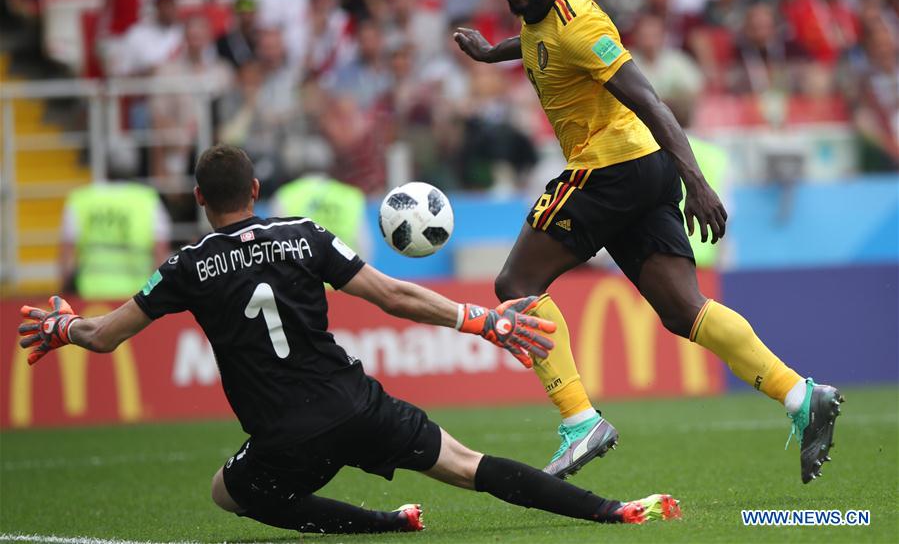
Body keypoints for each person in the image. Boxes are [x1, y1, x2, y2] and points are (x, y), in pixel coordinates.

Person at [19, 144, 681, 535]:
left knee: (230, 491)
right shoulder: (303, 235)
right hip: (356, 404)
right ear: (254, 190)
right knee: (468, 467)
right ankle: (613, 511)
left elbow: (104, 337)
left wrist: (61, 328)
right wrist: (485, 322)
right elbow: (393, 295)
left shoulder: (186, 266)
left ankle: (388, 526)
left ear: (198, 198)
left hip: (283, 437)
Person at [453, 0, 843, 484]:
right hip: (639, 171)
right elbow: (540, 45)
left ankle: (579, 421)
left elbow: (651, 100)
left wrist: (698, 180)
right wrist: (495, 54)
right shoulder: (539, 17)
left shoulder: (580, 24)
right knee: (685, 310)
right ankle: (801, 395)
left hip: (611, 167)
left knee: (516, 285)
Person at [59, 142, 171, 300]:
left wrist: (65, 290)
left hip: (90, 295)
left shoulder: (81, 199)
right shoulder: (148, 200)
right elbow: (160, 252)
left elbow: (67, 253)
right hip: (137, 300)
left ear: (105, 167)